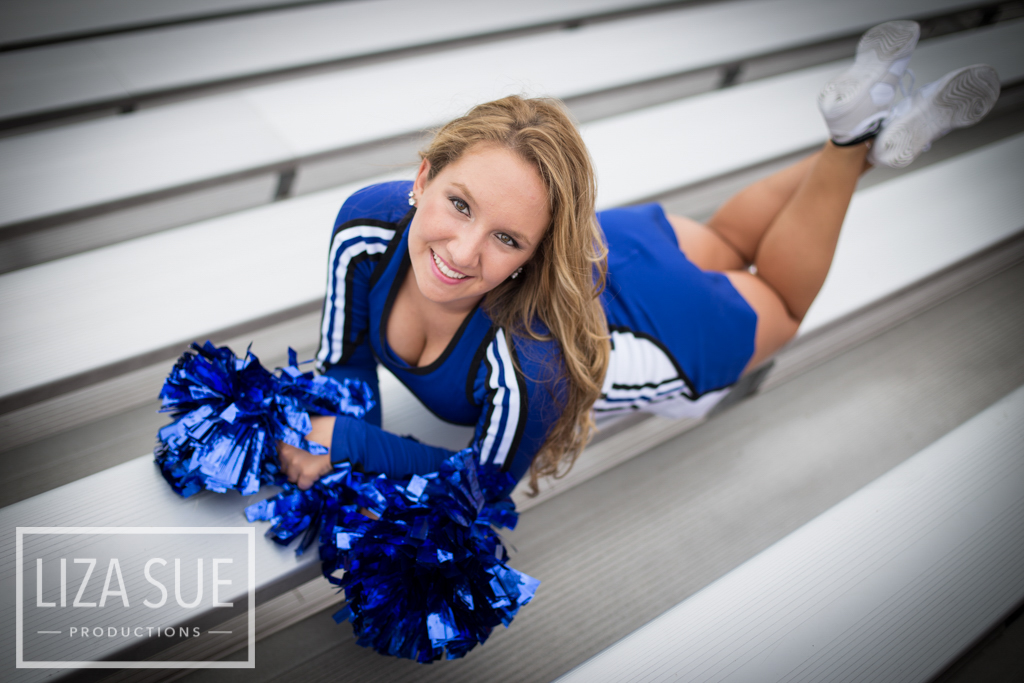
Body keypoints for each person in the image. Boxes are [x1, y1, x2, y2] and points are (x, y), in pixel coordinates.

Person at [278, 20, 1000, 495]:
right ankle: (858, 134)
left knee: (778, 294)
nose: (462, 253)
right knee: (730, 241)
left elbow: (482, 481)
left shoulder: (531, 362)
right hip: (614, 247)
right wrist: (339, 432)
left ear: (538, 249)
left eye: (506, 237)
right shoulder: (368, 223)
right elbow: (343, 362)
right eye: (459, 204)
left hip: (644, 330)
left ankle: (849, 145)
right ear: (423, 175)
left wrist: (347, 441)